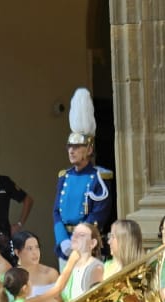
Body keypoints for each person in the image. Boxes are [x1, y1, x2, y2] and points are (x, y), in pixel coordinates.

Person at [54, 90, 115, 261]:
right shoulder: (64, 176)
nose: (71, 150)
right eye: (69, 147)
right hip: (65, 245)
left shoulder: (100, 177)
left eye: (77, 146)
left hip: (87, 245)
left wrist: (79, 241)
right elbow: (56, 212)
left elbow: (98, 214)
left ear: (89, 149)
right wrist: (63, 241)